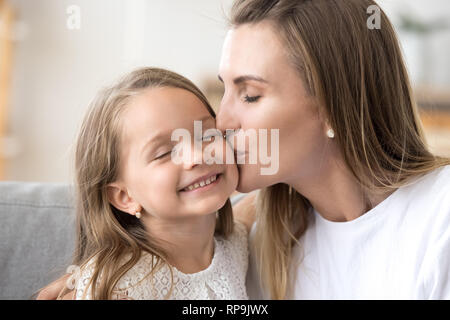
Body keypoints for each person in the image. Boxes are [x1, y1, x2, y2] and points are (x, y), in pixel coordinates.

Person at [38, 0, 450, 300]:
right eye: (224, 89)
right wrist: (96, 277)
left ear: (333, 110)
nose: (223, 123)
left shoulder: (437, 219)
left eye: (250, 95)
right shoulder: (262, 232)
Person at [52, 67, 249, 299]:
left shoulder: (238, 242)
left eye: (207, 135)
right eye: (165, 152)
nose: (197, 156)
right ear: (125, 197)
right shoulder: (115, 287)